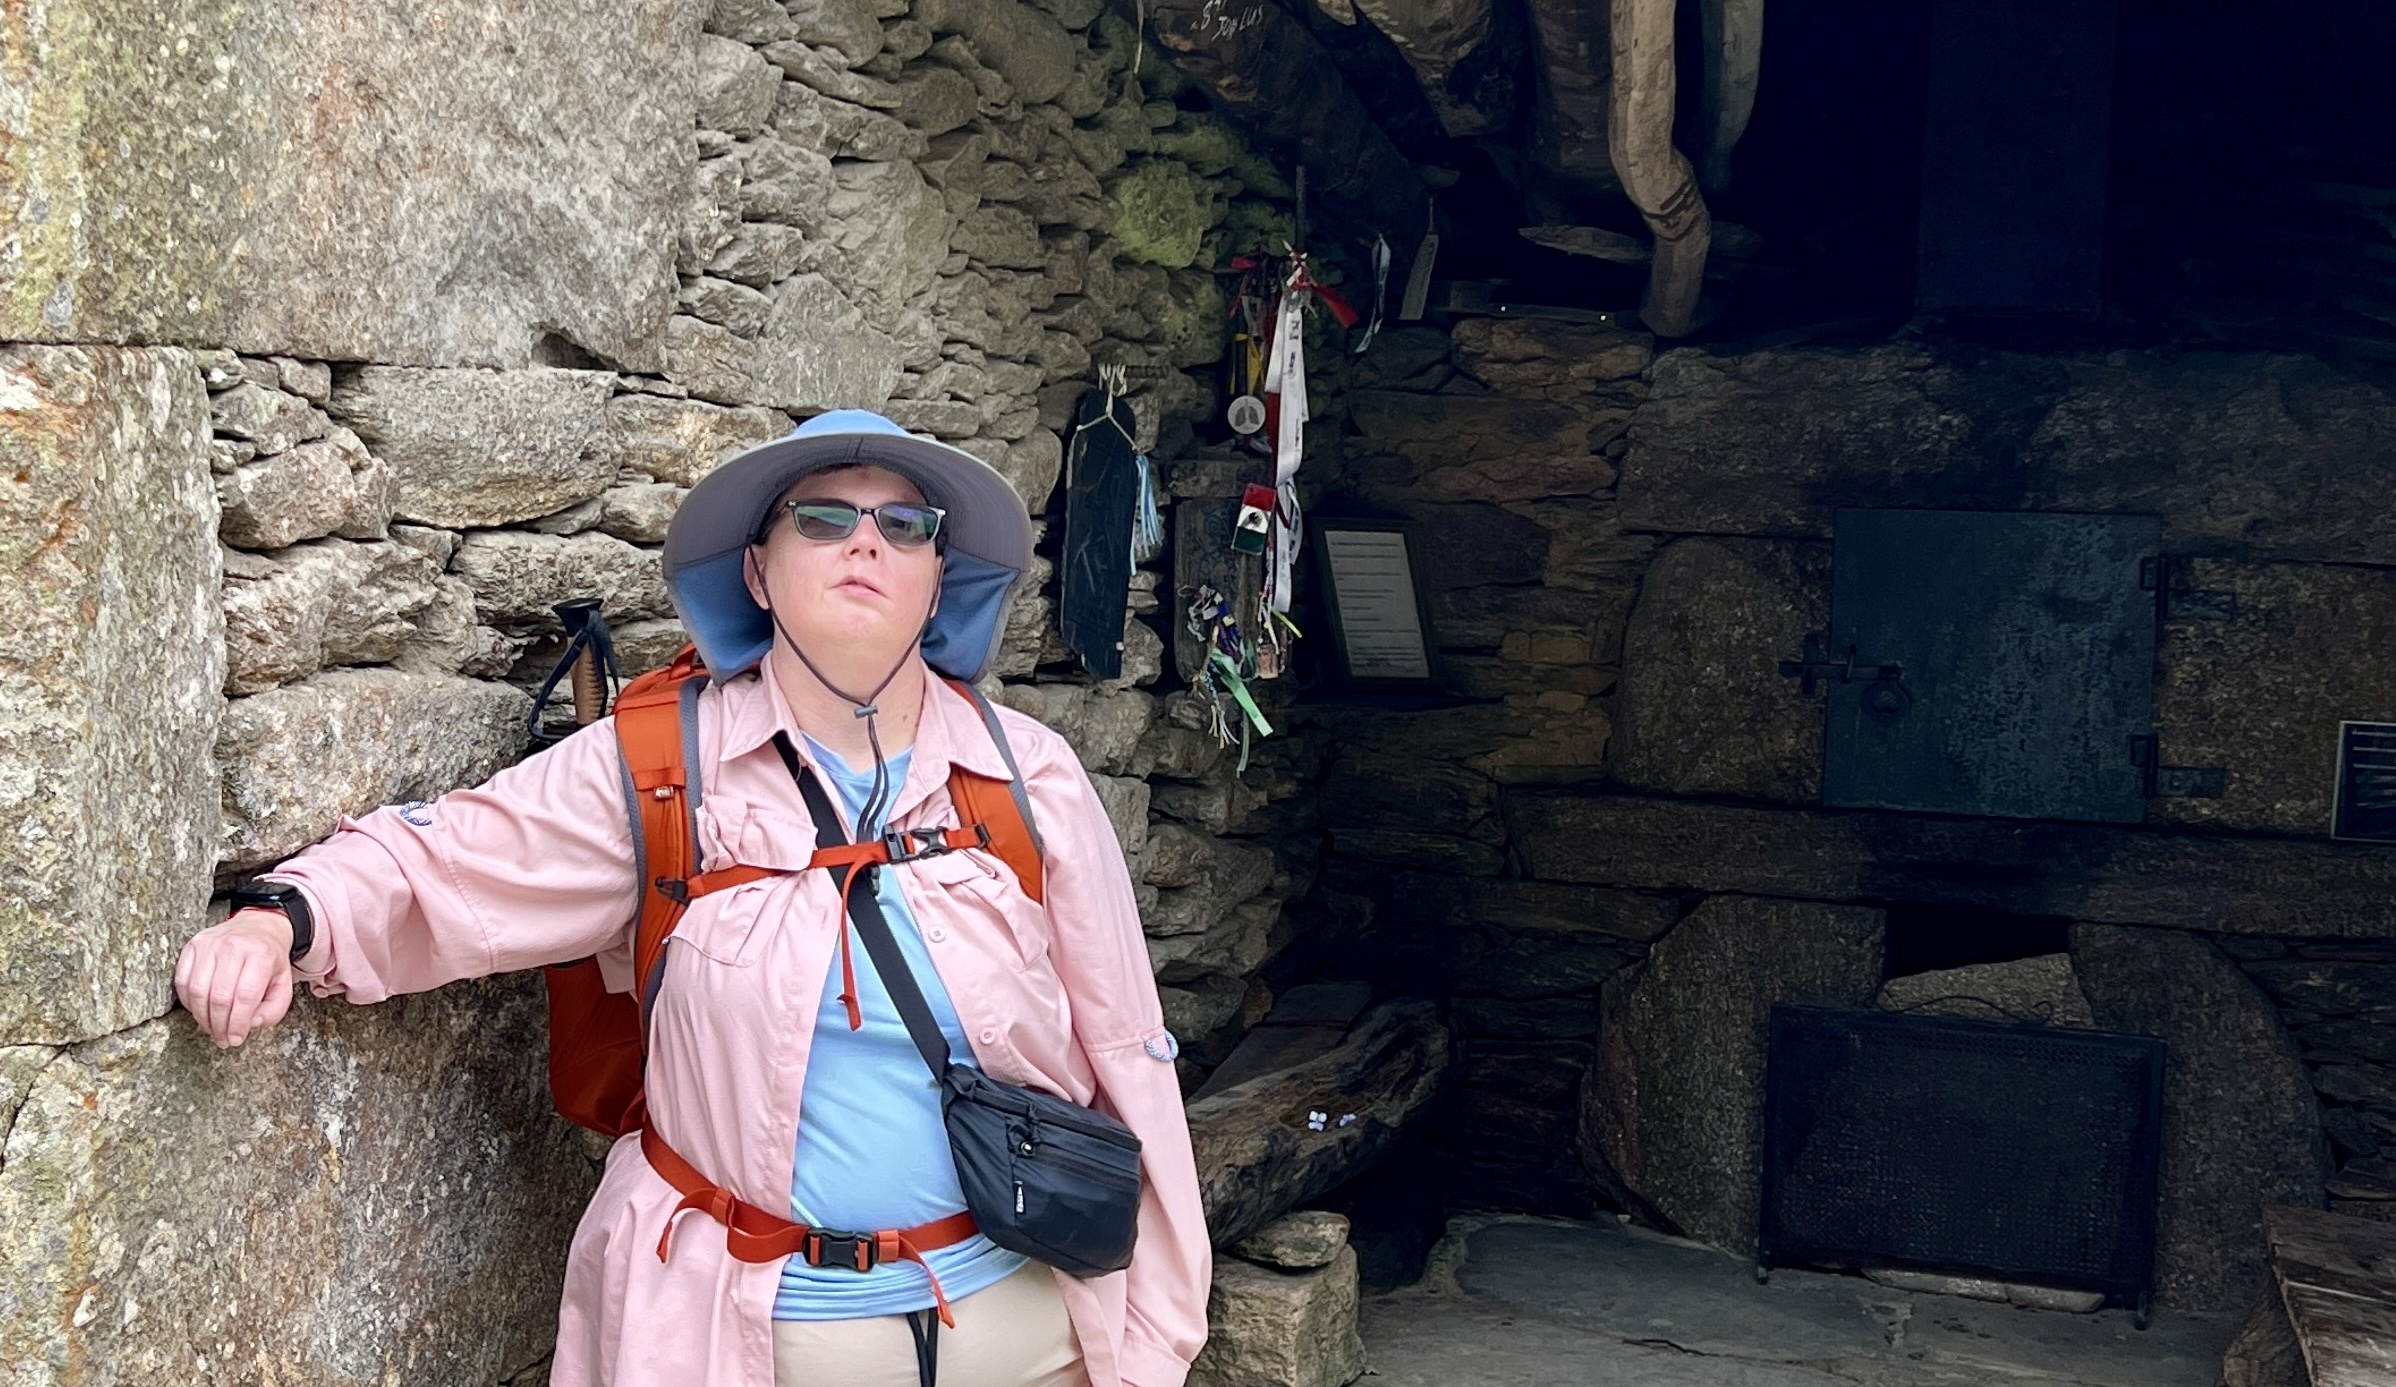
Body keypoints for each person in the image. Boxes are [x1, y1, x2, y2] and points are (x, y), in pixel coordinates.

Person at [174, 411, 1211, 1387]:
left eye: (905, 525)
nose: (867, 544)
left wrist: (1157, 1327)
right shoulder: (662, 770)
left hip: (1021, 1324)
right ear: (757, 570)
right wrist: (283, 918)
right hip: (740, 1333)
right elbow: (452, 860)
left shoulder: (1024, 774)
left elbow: (1124, 1047)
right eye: (824, 517)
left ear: (938, 580)